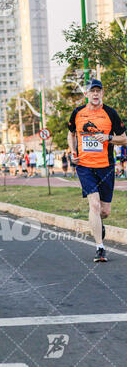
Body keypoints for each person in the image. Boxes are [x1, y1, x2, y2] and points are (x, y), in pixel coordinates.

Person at [68, 79, 126, 262]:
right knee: (93, 204)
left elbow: (124, 139)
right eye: (91, 91)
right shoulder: (77, 113)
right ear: (86, 94)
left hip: (106, 166)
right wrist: (72, 151)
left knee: (104, 211)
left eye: (98, 91)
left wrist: (108, 137)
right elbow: (71, 133)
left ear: (102, 94)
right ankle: (100, 248)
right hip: (84, 166)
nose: (95, 94)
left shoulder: (110, 113)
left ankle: (98, 224)